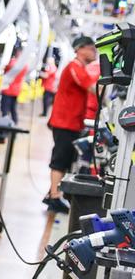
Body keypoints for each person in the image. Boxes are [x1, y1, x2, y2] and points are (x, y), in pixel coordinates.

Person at [44, 36, 99, 214]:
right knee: (60, 158)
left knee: (66, 159)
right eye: (92, 48)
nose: (94, 52)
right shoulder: (75, 66)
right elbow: (92, 87)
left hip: (72, 122)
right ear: (80, 49)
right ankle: (54, 197)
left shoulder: (80, 68)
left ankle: (53, 192)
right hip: (64, 122)